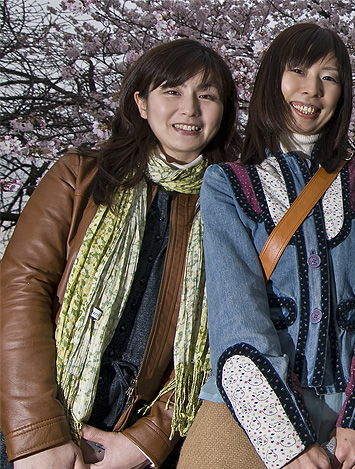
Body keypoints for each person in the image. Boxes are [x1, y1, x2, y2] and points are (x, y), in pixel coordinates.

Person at [0, 39, 240, 469]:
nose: (190, 108)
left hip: (129, 436)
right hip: (34, 419)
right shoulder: (80, 175)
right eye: (172, 91)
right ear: (142, 104)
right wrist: (37, 433)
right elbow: (21, 289)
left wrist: (147, 441)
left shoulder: (232, 210)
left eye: (207, 95)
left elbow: (223, 337)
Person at [178, 23, 355, 469]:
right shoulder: (226, 182)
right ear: (271, 79)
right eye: (297, 70)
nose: (312, 89)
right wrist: (287, 440)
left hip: (349, 411)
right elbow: (235, 314)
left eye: (330, 77)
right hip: (247, 407)